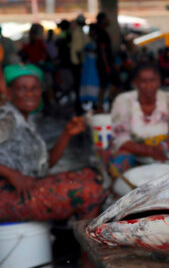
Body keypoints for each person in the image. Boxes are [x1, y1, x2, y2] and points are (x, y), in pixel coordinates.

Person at [0, 64, 103, 221]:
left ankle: (81, 231)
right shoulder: (7, 118)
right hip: (8, 195)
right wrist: (12, 174)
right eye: (22, 88)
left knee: (91, 175)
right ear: (9, 92)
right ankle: (84, 235)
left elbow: (46, 164)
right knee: (90, 190)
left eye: (34, 88)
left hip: (25, 189)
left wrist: (67, 133)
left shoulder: (26, 121)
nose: (30, 93)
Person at [109, 63, 169, 175]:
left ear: (159, 81)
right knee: (119, 163)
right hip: (133, 147)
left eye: (152, 80)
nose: (149, 85)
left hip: (165, 145)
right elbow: (120, 138)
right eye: (143, 81)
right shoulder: (123, 100)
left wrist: (162, 147)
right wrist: (148, 150)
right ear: (135, 83)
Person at [93, 12, 118, 110]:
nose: (108, 21)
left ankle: (103, 105)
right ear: (102, 20)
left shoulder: (100, 32)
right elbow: (102, 50)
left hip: (104, 63)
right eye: (106, 19)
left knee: (106, 85)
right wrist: (107, 66)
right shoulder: (101, 33)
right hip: (104, 64)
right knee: (106, 85)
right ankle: (101, 106)